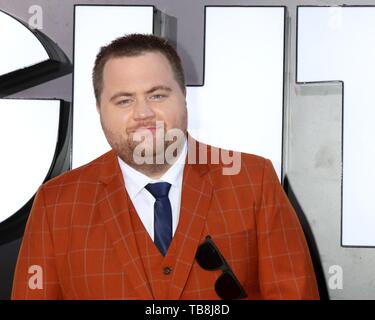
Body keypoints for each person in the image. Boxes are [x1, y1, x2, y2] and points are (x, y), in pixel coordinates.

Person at [11, 34, 319, 300]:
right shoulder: (57, 203)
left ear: (184, 97)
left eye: (157, 95)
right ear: (99, 110)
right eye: (123, 101)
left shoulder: (253, 181)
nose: (143, 113)